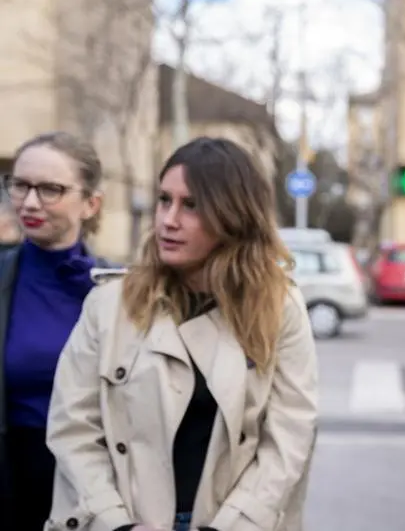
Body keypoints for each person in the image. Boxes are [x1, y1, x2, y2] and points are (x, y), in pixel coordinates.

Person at [45, 137, 318, 531]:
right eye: (164, 200)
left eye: (191, 205)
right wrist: (116, 524)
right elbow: (73, 427)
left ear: (233, 215)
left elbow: (289, 438)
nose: (168, 220)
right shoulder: (110, 304)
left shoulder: (278, 308)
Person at [0, 131, 104, 531]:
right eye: (20, 185)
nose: (29, 202)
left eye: (50, 189)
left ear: (90, 204)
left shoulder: (116, 290)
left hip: (92, 486)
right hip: (11, 479)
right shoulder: (6, 277)